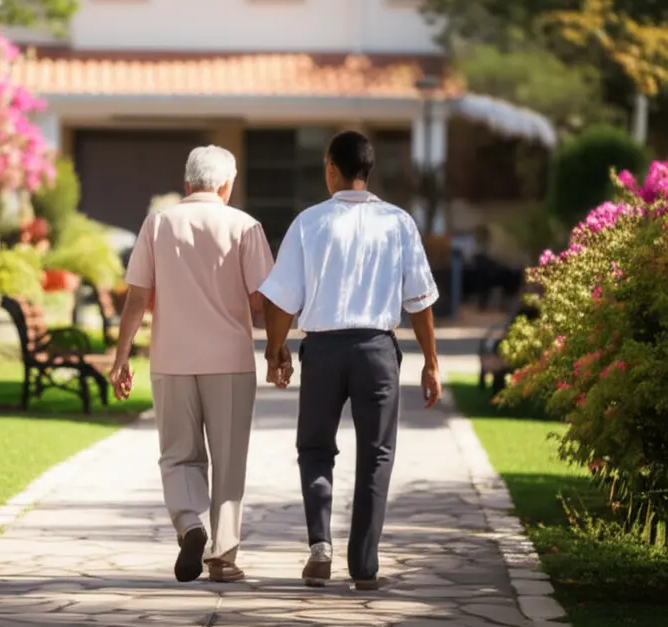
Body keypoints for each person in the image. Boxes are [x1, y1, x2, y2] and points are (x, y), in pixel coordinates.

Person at [260, 130, 441, 591]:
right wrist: (431, 363)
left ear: (331, 169)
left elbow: (280, 299)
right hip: (377, 350)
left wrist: (275, 349)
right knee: (376, 456)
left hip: (321, 351)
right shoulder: (398, 222)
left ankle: (320, 545)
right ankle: (364, 565)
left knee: (316, 448)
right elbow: (419, 300)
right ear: (368, 170)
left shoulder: (309, 222)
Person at [109, 145, 277, 584]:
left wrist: (121, 357)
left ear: (187, 184)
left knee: (178, 456)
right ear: (226, 185)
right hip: (230, 362)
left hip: (172, 360)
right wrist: (278, 345)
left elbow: (137, 297)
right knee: (228, 460)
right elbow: (264, 299)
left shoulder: (158, 222)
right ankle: (222, 556)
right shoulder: (245, 226)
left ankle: (190, 525)